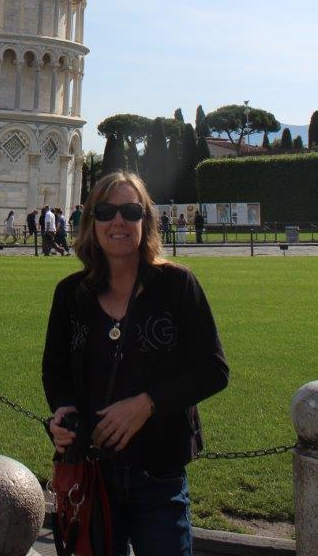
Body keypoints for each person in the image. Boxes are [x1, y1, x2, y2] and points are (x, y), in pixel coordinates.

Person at [43, 171, 228, 556]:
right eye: (106, 211)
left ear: (146, 220)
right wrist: (61, 412)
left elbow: (214, 370)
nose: (119, 221)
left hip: (158, 476)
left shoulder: (177, 286)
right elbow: (55, 371)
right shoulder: (70, 295)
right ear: (91, 223)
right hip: (93, 475)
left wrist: (147, 404)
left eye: (131, 210)